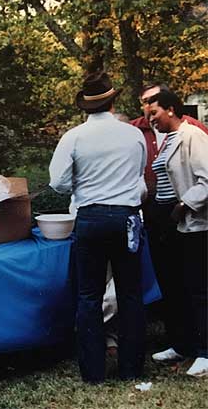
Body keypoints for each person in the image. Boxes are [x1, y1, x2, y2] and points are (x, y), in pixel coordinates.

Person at [49, 71, 147, 383]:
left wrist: (83, 181)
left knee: (89, 295)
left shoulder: (74, 137)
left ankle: (93, 372)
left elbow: (58, 183)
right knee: (130, 294)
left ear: (85, 107)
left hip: (90, 217)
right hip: (126, 217)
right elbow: (139, 175)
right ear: (112, 101)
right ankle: (131, 369)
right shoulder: (132, 135)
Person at [146, 89, 208, 377]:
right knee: (176, 286)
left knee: (199, 288)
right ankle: (183, 344)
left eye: (154, 110)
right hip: (170, 222)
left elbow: (206, 179)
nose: (149, 115)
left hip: (194, 222)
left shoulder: (192, 136)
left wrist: (184, 204)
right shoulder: (167, 139)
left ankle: (205, 353)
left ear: (171, 109)